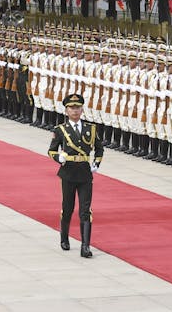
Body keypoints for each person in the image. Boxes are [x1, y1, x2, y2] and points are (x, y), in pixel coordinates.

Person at [47, 93, 103, 258]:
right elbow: (51, 150)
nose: (75, 111)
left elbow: (99, 149)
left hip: (85, 173)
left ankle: (85, 246)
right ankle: (64, 236)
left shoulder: (90, 129)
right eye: (72, 108)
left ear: (82, 109)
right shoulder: (60, 130)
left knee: (86, 211)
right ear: (66, 110)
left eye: (78, 107)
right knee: (68, 208)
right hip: (68, 172)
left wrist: (96, 163)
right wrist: (59, 158)